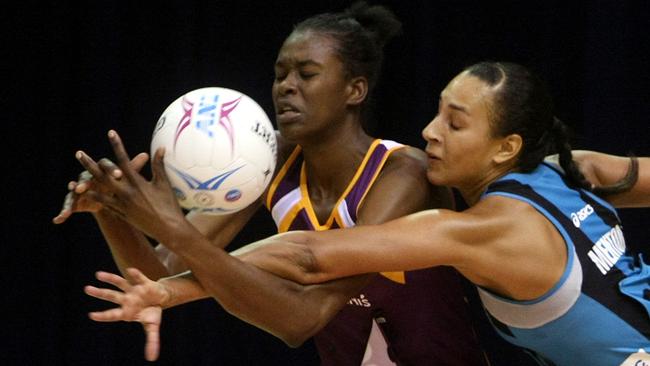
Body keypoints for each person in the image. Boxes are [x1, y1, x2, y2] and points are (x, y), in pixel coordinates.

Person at [75, 61, 649, 366]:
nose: (429, 132)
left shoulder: (479, 230)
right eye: (437, 113)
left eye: (455, 122)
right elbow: (299, 251)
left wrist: (171, 244)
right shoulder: (579, 168)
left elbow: (308, 256)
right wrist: (168, 287)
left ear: (505, 147)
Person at [55, 3, 490, 365]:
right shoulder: (268, 158)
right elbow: (160, 276)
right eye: (280, 74)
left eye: (306, 73)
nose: (286, 87)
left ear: (354, 90)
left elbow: (302, 318)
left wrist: (174, 228)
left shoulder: (402, 174)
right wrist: (112, 212)